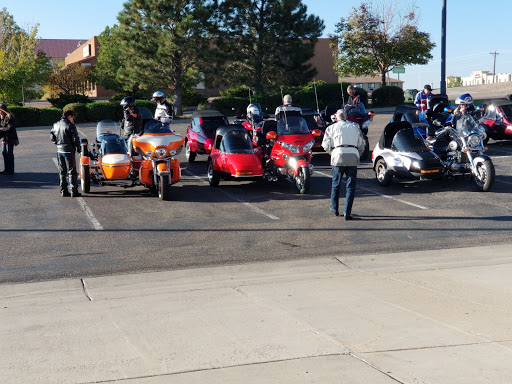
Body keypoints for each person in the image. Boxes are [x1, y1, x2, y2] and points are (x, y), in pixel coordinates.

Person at [321, 109, 364, 220]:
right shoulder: (355, 127)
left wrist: (332, 153)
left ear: (336, 118)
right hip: (353, 154)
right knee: (351, 186)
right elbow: (361, 144)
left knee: (336, 183)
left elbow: (325, 145)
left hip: (338, 155)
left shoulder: (331, 128)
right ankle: (347, 212)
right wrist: (357, 153)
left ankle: (335, 208)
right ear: (346, 117)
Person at [50, 110, 81, 197]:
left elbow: (52, 137)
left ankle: (63, 190)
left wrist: (58, 143)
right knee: (72, 171)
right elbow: (75, 139)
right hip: (68, 150)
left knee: (62, 171)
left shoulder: (56, 125)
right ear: (69, 116)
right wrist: (78, 148)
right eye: (73, 117)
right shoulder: (70, 126)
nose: (73, 119)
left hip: (59, 150)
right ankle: (73, 191)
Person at [0, 103, 18, 175]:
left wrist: (0, 128)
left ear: (3, 110)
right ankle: (6, 169)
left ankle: (10, 170)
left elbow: (10, 128)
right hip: (5, 138)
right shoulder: (2, 117)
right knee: (4, 153)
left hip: (10, 138)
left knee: (9, 154)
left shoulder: (9, 117)